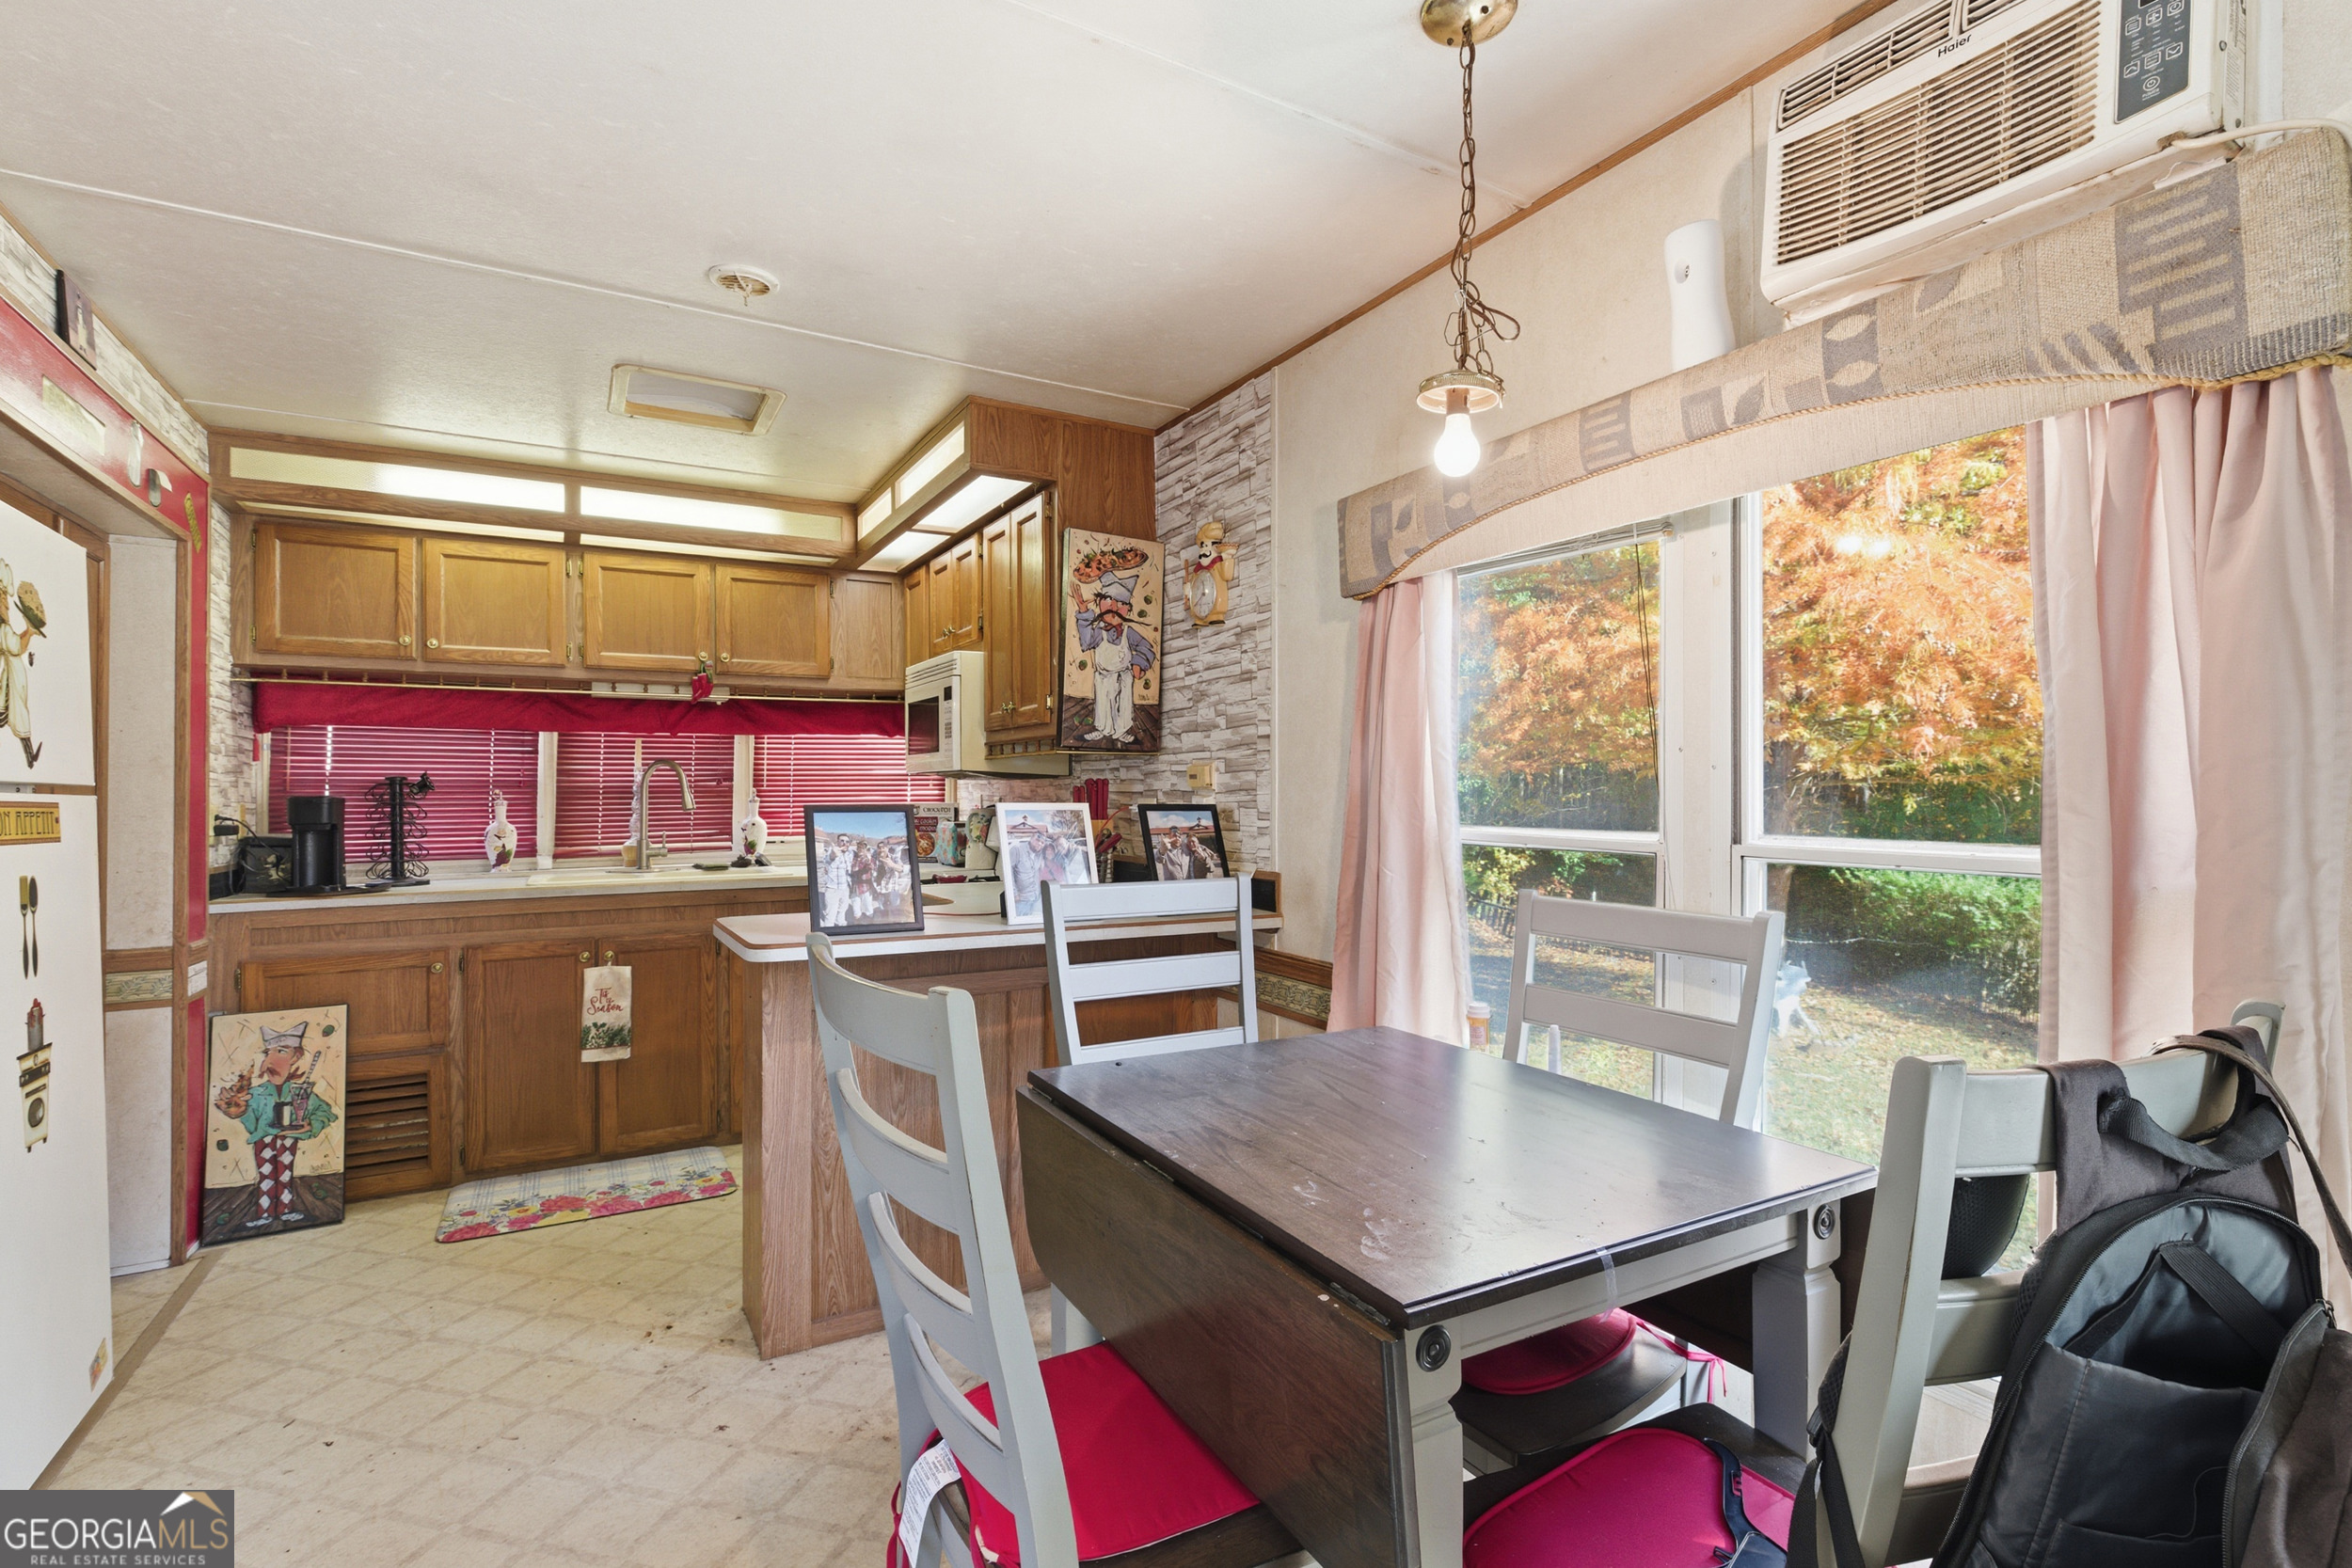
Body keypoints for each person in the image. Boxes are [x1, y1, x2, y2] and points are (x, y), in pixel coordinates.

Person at [213, 1022, 338, 1227]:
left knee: (286, 1174)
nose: (272, 1060)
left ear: (295, 1057)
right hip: (265, 1141)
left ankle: (285, 1210)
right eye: (269, 1052)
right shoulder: (257, 1094)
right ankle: (264, 1214)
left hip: (290, 1139)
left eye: (281, 1051)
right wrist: (240, 1111)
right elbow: (252, 1124)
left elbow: (325, 1112)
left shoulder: (301, 1092)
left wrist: (311, 1125)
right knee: (267, 1175)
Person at [1073, 572, 1155, 744]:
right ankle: (1102, 730)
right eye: (1110, 600)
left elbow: (1146, 647)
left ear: (1128, 608)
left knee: (1124, 706)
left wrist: (1138, 663)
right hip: (1103, 677)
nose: (1115, 608)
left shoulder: (1128, 632)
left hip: (1124, 676)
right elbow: (1086, 643)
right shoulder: (1098, 632)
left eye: (1122, 604)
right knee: (1103, 704)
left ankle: (1122, 731)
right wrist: (1083, 611)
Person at [0, 562, 44, 769]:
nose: (7, 605)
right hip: (5, 680)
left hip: (6, 678)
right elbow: (16, 646)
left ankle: (28, 756)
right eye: (3, 599)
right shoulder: (3, 628)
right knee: (16, 713)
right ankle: (28, 756)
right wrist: (30, 630)